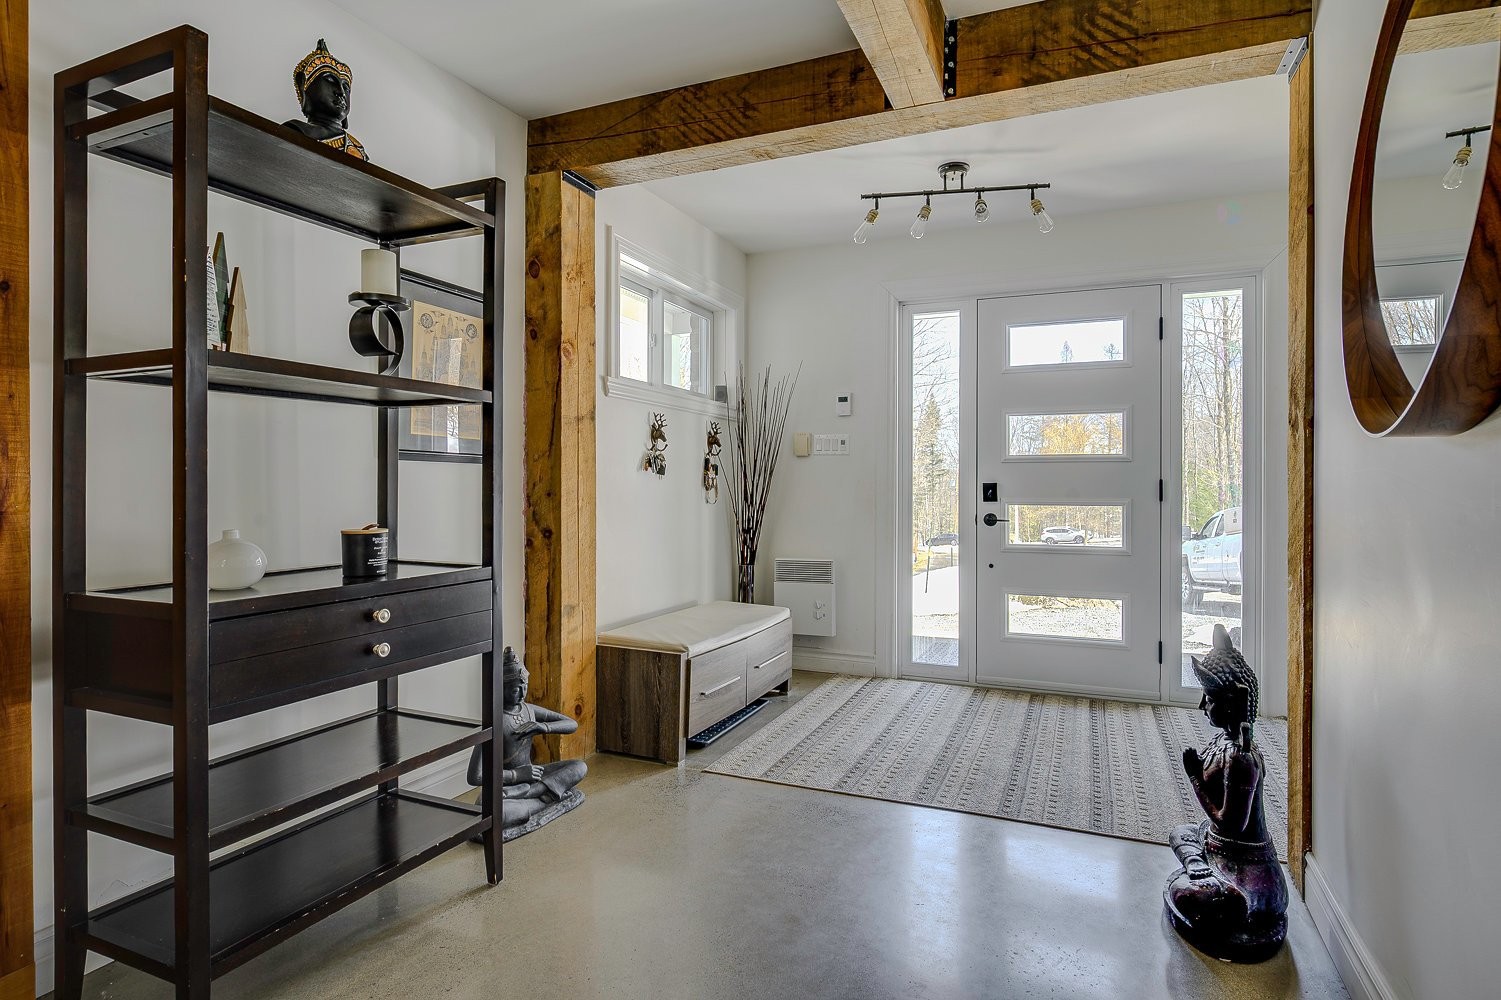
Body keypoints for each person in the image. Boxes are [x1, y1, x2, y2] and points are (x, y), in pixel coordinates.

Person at [1165, 623, 1288, 962]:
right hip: (1219, 847)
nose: (1204, 706)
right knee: (1182, 833)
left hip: (1248, 872)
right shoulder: (1225, 743)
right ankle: (1203, 870)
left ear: (1231, 704)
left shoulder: (1242, 759)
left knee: (1187, 894)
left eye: (1212, 699)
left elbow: (1229, 822)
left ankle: (1208, 880)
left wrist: (1195, 778)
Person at [496, 647, 586, 831]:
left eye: (525, 687)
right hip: (509, 784)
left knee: (579, 767)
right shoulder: (496, 719)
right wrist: (516, 775)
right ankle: (550, 796)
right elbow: (475, 776)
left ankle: (534, 794)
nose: (522, 695)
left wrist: (543, 727)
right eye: (515, 690)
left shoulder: (529, 709)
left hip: (534, 778)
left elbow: (571, 724)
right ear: (501, 689)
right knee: (499, 812)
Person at [285, 39, 368, 161]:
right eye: (329, 80)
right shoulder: (297, 131)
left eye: (346, 87)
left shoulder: (357, 148)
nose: (341, 92)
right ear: (304, 86)